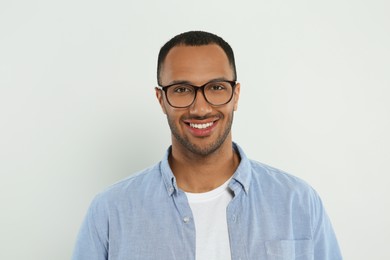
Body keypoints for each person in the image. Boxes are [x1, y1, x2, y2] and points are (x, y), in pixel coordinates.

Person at [72, 31, 342, 260]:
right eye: (181, 89)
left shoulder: (299, 202)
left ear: (235, 95)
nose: (200, 108)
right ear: (160, 99)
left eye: (215, 87)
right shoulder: (110, 210)